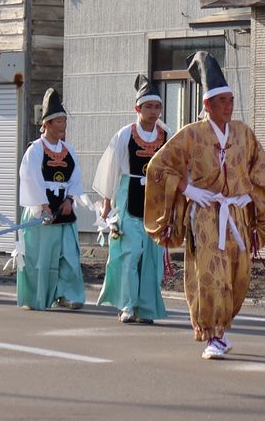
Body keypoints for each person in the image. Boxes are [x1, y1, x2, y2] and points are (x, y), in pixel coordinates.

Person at [143, 52, 265, 359]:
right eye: (223, 101)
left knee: (238, 274)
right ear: (207, 105)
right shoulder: (191, 135)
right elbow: (158, 167)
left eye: (231, 100)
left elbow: (261, 168)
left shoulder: (243, 133)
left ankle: (222, 328)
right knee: (209, 273)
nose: (229, 106)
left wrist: (252, 195)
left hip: (236, 212)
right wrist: (187, 188)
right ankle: (211, 334)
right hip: (205, 213)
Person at [93, 74, 170, 324]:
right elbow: (111, 167)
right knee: (130, 253)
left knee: (151, 256)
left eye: (157, 106)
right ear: (137, 108)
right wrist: (107, 201)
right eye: (148, 106)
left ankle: (146, 308)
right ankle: (127, 304)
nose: (153, 111)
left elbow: (175, 168)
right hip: (130, 196)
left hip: (155, 200)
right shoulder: (125, 134)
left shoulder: (167, 134)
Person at [13, 89, 86, 311]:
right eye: (59, 120)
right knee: (40, 257)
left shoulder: (68, 149)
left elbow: (75, 176)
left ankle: (65, 293)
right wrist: (42, 204)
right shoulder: (35, 150)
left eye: (64, 120)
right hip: (41, 207)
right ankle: (37, 296)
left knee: (69, 254)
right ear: (48, 123)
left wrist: (70, 199)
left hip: (63, 207)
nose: (63, 124)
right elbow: (29, 177)